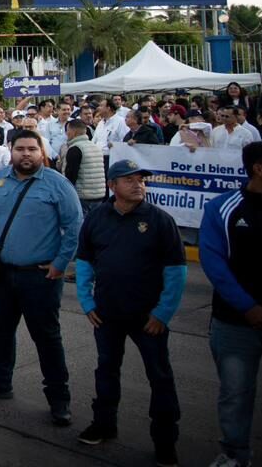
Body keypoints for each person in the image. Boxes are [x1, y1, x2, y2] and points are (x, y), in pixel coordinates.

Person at [74, 160, 186, 466]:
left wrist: (162, 313)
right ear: (112, 185)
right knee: (107, 370)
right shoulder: (97, 217)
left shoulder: (160, 221)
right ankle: (104, 424)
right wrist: (87, 301)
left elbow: (176, 272)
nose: (138, 185)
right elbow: (84, 262)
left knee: (159, 377)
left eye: (141, 180)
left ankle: (165, 440)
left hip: (148, 318)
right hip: (107, 314)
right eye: (129, 180)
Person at [0, 130, 82, 427]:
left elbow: (75, 226)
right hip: (1, 275)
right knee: (1, 330)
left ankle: (59, 398)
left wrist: (60, 263)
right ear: (11, 150)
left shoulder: (57, 184)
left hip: (40, 278)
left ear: (41, 151)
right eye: (21, 149)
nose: (26, 154)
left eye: (32, 148)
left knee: (47, 338)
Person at [199, 141, 262, 467]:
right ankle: (234, 455)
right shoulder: (222, 209)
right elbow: (214, 262)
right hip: (235, 325)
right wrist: (249, 308)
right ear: (259, 168)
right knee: (235, 395)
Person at [60, 119, 106, 215]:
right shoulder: (96, 147)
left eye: (67, 130)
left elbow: (71, 175)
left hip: (82, 197)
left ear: (73, 132)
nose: (66, 133)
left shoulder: (75, 148)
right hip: (99, 195)